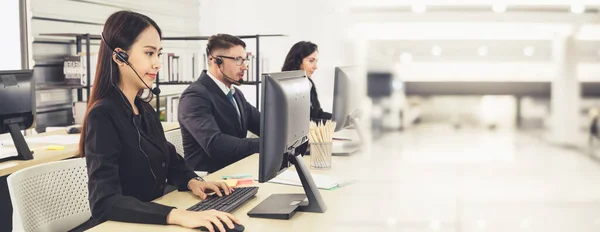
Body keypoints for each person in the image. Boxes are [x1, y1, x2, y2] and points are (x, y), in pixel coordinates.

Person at [75, 11, 240, 232]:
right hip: (121, 226)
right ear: (119, 57)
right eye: (149, 53)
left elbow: (168, 157)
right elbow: (105, 202)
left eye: (158, 54)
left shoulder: (144, 109)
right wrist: (176, 215)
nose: (158, 64)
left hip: (151, 219)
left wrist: (194, 181)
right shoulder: (102, 115)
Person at [178, 34, 260, 173]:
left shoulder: (235, 94)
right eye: (238, 60)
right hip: (209, 179)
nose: (245, 67)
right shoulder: (194, 97)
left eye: (245, 60)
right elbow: (215, 144)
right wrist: (268, 144)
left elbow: (262, 124)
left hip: (235, 172)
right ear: (217, 61)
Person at [282, 41, 332, 121]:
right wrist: (332, 123)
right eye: (311, 61)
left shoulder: (308, 83)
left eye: (316, 62)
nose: (315, 67)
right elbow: (302, 121)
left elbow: (317, 113)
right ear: (298, 61)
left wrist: (340, 119)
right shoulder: (288, 88)